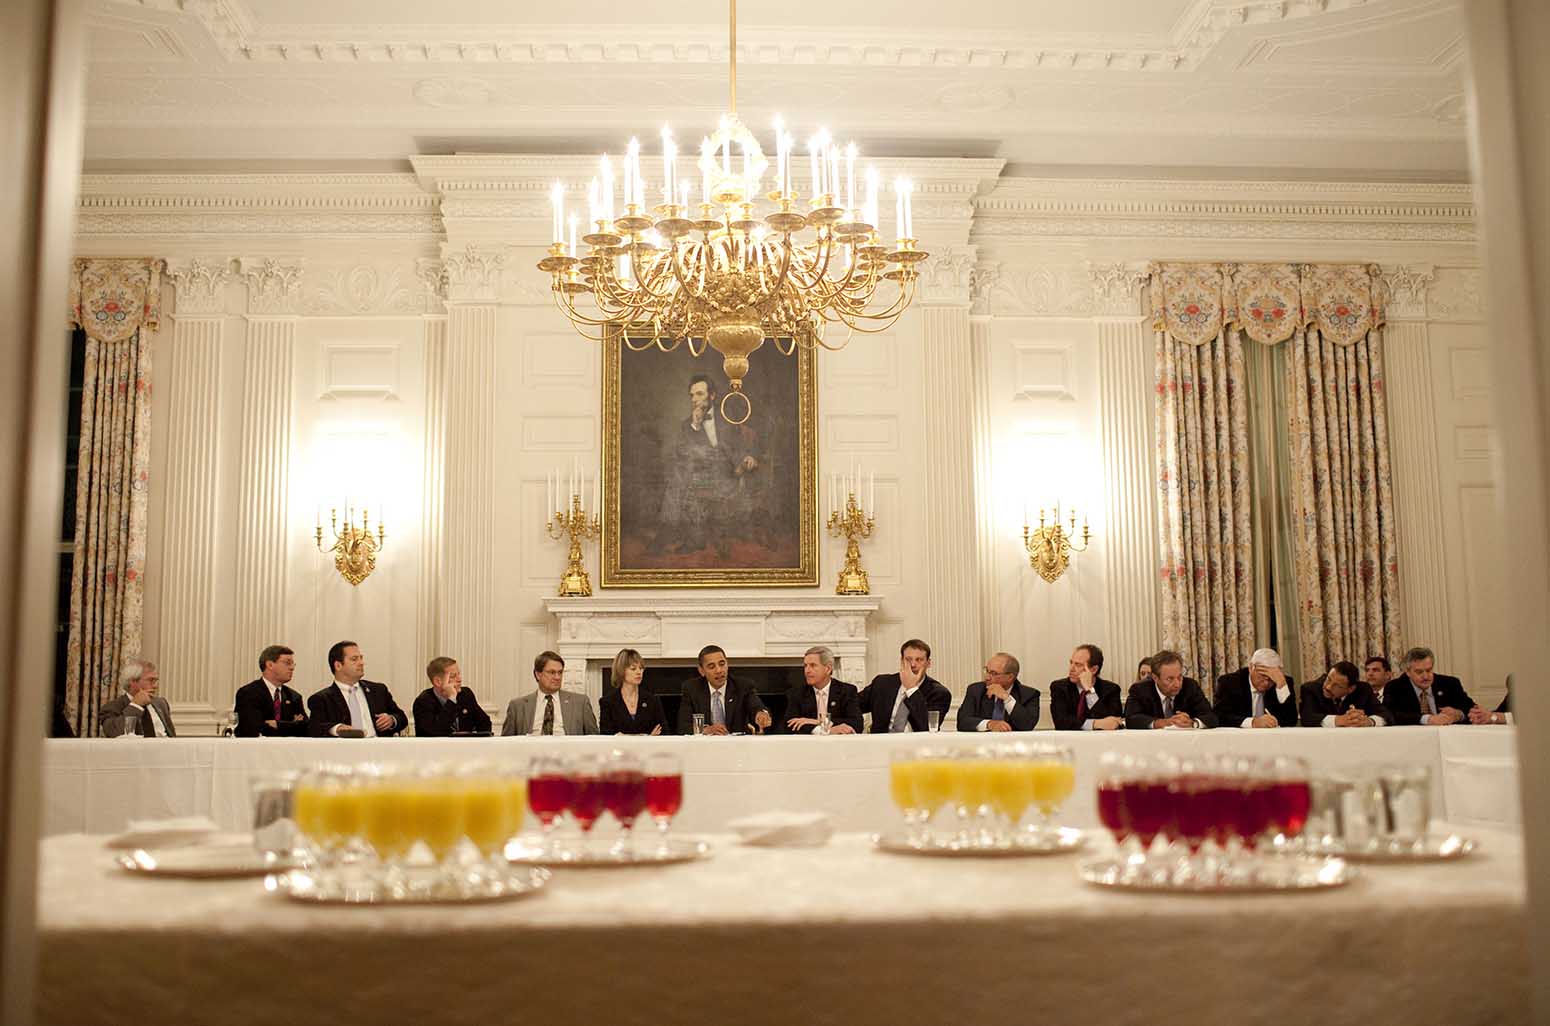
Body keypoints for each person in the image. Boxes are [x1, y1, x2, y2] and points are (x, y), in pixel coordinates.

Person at [657, 374, 765, 558]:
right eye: (691, 395)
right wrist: (696, 426)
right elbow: (683, 453)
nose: (694, 399)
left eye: (699, 394)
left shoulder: (728, 417)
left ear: (712, 395)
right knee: (679, 479)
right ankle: (685, 536)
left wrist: (749, 456)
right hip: (700, 475)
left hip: (728, 474)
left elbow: (747, 441)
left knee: (679, 482)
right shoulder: (687, 425)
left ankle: (678, 536)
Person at [306, 640, 407, 737]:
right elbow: (314, 728)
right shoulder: (322, 699)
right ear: (338, 665)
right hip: (345, 751)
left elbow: (402, 718)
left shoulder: (378, 690)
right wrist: (337, 729)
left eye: (361, 658)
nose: (361, 663)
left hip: (379, 749)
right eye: (354, 659)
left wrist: (392, 720)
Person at [858, 638, 952, 733]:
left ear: (928, 663)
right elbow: (853, 706)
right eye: (908, 659)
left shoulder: (939, 693)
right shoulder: (882, 683)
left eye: (919, 660)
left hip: (916, 745)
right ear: (902, 661)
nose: (913, 664)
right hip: (880, 743)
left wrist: (911, 689)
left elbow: (927, 727)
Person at [676, 644, 772, 735]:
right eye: (712, 667)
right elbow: (683, 726)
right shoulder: (691, 688)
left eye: (722, 664)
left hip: (737, 746)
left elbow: (756, 707)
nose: (719, 670)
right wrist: (706, 730)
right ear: (702, 671)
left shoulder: (743, 686)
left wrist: (762, 714)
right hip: (704, 747)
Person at [501, 651, 598, 736]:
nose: (557, 677)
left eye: (560, 672)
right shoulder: (517, 706)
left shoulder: (580, 703)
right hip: (531, 754)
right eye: (552, 672)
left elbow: (594, 740)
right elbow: (506, 744)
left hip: (568, 754)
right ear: (538, 674)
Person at [1382, 646, 1478, 726]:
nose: (1425, 676)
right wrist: (1427, 719)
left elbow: (1472, 708)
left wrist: (1459, 714)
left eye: (1428, 670)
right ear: (1408, 672)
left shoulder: (1450, 683)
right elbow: (1390, 715)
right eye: (1419, 672)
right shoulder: (1395, 687)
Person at [1123, 650, 1216, 729]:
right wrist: (1161, 723)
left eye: (1179, 677)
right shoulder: (1140, 689)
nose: (1177, 684)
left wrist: (1192, 723)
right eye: (1170, 679)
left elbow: (1211, 717)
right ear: (1155, 678)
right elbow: (1131, 719)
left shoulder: (1190, 686)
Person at [781, 646, 863, 734]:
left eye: (813, 665)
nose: (807, 671)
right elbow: (789, 725)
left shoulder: (847, 691)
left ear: (828, 669)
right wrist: (825, 731)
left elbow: (857, 724)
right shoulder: (796, 693)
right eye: (805, 666)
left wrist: (819, 722)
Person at [234, 644, 308, 737]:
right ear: (270, 665)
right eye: (288, 663)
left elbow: (306, 728)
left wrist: (278, 724)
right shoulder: (248, 693)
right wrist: (292, 725)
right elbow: (253, 728)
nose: (292, 667)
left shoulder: (294, 697)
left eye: (293, 664)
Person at [1214, 648, 1298, 728]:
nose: (1266, 683)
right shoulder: (1229, 683)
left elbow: (1291, 720)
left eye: (1271, 679)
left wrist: (1281, 686)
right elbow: (1220, 716)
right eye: (1263, 676)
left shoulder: (1282, 681)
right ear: (1251, 668)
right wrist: (1253, 722)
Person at [957, 653, 1041, 732]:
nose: (987, 677)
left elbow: (1028, 725)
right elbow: (962, 722)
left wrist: (1007, 698)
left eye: (993, 673)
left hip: (1013, 744)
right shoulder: (976, 690)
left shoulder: (1030, 694)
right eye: (986, 671)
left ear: (1010, 677)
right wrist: (989, 724)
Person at [1049, 643, 1123, 731]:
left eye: (1078, 665)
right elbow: (1061, 722)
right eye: (1071, 663)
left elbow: (1112, 723)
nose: (1071, 669)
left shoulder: (1111, 689)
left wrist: (1090, 690)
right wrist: (1095, 723)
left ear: (1094, 669)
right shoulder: (1059, 687)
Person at [412, 656, 492, 737]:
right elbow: (436, 732)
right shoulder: (423, 702)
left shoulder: (466, 695)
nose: (459, 679)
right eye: (453, 676)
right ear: (438, 681)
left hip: (466, 747)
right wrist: (452, 699)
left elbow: (485, 723)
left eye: (459, 674)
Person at [98, 659, 176, 737]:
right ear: (133, 682)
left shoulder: (161, 703)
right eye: (151, 680)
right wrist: (135, 705)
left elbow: (172, 736)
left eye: (156, 681)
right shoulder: (111, 708)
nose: (155, 686)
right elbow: (114, 733)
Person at [599, 648, 667, 736]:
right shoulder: (608, 701)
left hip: (649, 750)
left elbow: (663, 733)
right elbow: (606, 736)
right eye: (633, 669)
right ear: (621, 671)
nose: (639, 672)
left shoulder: (652, 700)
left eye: (641, 668)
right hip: (619, 749)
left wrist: (623, 736)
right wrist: (647, 737)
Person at [1299, 661, 1387, 727]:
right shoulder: (1310, 689)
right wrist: (1338, 720)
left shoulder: (1363, 689)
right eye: (1328, 679)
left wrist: (1369, 721)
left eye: (1337, 685)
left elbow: (1386, 715)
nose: (1328, 687)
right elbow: (1307, 718)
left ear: (1350, 689)